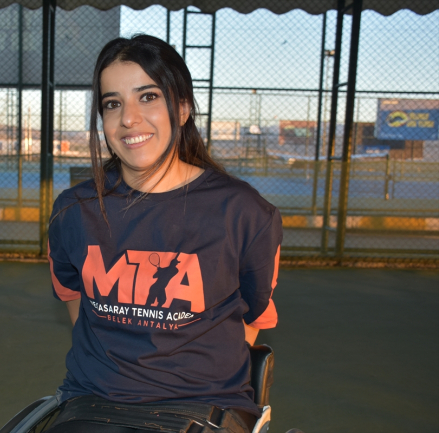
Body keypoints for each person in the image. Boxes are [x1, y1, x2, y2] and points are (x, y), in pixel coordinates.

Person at [47, 34, 282, 433]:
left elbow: (252, 317)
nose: (129, 118)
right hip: (94, 403)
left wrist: (185, 374)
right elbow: (73, 297)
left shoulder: (244, 213)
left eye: (148, 97)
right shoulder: (74, 211)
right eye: (113, 103)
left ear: (183, 107)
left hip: (202, 405)